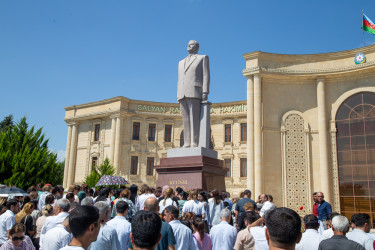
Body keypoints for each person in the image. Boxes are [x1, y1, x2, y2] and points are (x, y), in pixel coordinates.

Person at [177, 40, 210, 147]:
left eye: (191, 44)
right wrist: (178, 93)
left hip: (195, 90)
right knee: (185, 119)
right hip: (182, 92)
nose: (188, 45)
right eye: (188, 44)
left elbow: (206, 75)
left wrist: (205, 90)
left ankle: (194, 142)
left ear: (197, 47)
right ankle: (186, 142)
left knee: (194, 118)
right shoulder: (180, 62)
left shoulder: (202, 58)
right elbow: (180, 79)